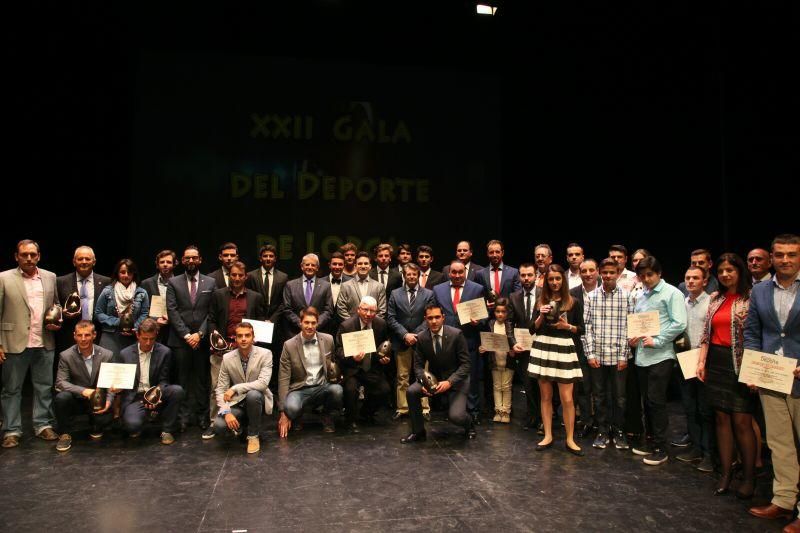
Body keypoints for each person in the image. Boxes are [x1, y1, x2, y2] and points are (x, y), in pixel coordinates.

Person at [744, 234, 800, 530]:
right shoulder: (761, 291)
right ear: (772, 256)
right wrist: (752, 367)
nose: (785, 260)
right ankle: (784, 500)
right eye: (780, 254)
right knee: (779, 444)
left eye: (791, 254)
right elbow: (753, 331)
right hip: (772, 376)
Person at [695, 253, 756, 498]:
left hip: (740, 363)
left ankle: (750, 477)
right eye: (721, 271)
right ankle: (726, 473)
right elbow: (705, 334)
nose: (725, 274)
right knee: (721, 419)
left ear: (740, 271)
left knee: (742, 422)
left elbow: (755, 335)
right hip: (716, 361)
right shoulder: (715, 298)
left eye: (730, 270)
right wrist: (701, 361)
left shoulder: (751, 297)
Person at [0, 239, 61, 447]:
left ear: (39, 256)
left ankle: (42, 425)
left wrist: (58, 320)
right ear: (16, 256)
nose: (29, 258)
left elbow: (56, 306)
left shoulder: (50, 277)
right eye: (24, 254)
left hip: (43, 341)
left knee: (44, 387)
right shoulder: (4, 278)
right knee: (11, 389)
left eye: (33, 254)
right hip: (13, 341)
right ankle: (11, 430)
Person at [629, 256, 687, 465]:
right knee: (647, 401)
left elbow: (679, 323)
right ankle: (651, 441)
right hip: (642, 356)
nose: (646, 279)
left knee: (657, 401)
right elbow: (638, 324)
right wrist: (634, 337)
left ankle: (661, 448)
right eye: (642, 275)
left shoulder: (672, 293)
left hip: (661, 355)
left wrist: (659, 339)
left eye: (650, 275)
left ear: (659, 273)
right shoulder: (641, 295)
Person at [528, 264, 585, 456]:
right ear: (546, 281)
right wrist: (541, 316)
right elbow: (532, 329)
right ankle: (548, 435)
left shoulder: (574, 302)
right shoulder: (540, 301)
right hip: (543, 347)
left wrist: (567, 326)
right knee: (545, 396)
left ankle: (570, 438)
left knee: (567, 398)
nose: (554, 282)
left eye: (558, 279)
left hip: (564, 348)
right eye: (551, 279)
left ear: (563, 280)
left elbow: (581, 329)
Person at [204, 261, 266, 439]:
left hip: (247, 348)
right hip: (223, 349)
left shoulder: (255, 297)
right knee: (217, 386)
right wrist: (216, 340)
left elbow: (260, 321)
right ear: (229, 276)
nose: (237, 278)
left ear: (245, 277)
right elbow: (212, 319)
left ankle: (246, 423)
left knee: (248, 388)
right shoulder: (218, 295)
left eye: (240, 275)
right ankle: (215, 421)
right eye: (234, 275)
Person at [401, 303, 474, 442]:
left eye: (437, 317)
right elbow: (418, 366)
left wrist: (450, 382)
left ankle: (469, 424)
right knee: (412, 391)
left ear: (443, 318)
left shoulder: (456, 334)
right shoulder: (422, 338)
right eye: (430, 318)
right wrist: (423, 383)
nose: (434, 321)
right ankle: (418, 432)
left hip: (457, 381)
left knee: (456, 417)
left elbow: (466, 365)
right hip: (434, 381)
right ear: (425, 319)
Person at [584, 258, 634, 450]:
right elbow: (587, 327)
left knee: (620, 397)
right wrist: (590, 354)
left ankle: (619, 430)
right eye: (604, 272)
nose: (608, 276)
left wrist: (624, 355)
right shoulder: (591, 296)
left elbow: (629, 326)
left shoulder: (627, 297)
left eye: (611, 273)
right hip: (598, 355)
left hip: (619, 356)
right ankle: (603, 430)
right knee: (599, 396)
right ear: (599, 273)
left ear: (617, 274)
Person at [166, 245, 217, 431]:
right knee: (182, 380)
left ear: (200, 260)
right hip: (181, 341)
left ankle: (203, 416)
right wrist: (187, 335)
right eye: (187, 258)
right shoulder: (173, 283)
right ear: (182, 260)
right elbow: (172, 310)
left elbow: (212, 312)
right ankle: (183, 417)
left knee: (203, 381)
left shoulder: (210, 283)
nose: (191, 261)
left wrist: (200, 334)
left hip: (202, 340)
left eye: (194, 258)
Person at [115, 319, 185, 445]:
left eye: (152, 339)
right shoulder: (125, 354)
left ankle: (167, 430)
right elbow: (122, 382)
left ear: (156, 336)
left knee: (177, 391)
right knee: (132, 426)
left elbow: (164, 380)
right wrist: (117, 388)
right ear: (137, 335)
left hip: (155, 391)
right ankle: (146, 417)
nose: (148, 343)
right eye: (144, 338)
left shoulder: (165, 352)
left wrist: (155, 394)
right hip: (135, 397)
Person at [432, 260, 486, 423]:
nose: (456, 275)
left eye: (460, 272)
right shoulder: (438, 289)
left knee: (472, 377)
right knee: (448, 375)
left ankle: (473, 410)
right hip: (446, 342)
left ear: (465, 272)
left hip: (468, 339)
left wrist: (479, 321)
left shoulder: (477, 289)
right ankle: (452, 409)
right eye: (453, 272)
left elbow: (484, 317)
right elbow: (434, 314)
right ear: (449, 273)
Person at [277, 307, 343, 437]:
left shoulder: (328, 340)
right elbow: (283, 378)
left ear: (317, 323)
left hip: (322, 386)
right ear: (300, 323)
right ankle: (298, 416)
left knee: (337, 390)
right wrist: (283, 413)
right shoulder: (289, 345)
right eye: (306, 322)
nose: (310, 326)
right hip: (299, 389)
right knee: (291, 409)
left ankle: (326, 414)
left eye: (313, 323)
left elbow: (334, 363)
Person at [674, 265, 715, 473]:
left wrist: (704, 361)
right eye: (688, 278)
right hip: (685, 359)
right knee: (690, 408)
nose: (691, 282)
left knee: (705, 410)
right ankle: (696, 448)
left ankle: (709, 453)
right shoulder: (682, 302)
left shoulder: (711, 303)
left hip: (704, 361)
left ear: (705, 281)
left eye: (695, 278)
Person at [213, 321, 273, 454]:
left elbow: (262, 383)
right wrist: (226, 412)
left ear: (253, 337)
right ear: (235, 338)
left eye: (247, 335)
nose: (244, 339)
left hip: (258, 400)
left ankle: (253, 436)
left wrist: (235, 388)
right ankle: (242, 428)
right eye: (240, 336)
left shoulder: (266, 354)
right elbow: (221, 388)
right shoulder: (227, 358)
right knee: (219, 426)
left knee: (253, 394)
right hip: (238, 402)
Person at [53, 320, 113, 452]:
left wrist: (109, 400)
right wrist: (83, 391)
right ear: (74, 336)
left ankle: (95, 424)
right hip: (77, 399)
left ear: (94, 335)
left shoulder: (107, 355)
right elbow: (60, 382)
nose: (83, 339)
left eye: (87, 335)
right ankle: (64, 434)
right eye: (79, 335)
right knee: (62, 398)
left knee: (104, 420)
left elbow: (110, 383)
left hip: (98, 401)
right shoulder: (66, 355)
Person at [386, 263, 435, 420]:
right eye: (409, 275)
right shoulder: (395, 294)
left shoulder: (428, 294)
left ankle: (425, 408)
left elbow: (429, 318)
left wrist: (416, 335)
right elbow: (391, 318)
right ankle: (403, 408)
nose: (412, 277)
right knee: (402, 377)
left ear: (418, 275)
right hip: (402, 342)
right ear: (404, 276)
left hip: (422, 342)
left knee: (424, 376)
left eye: (414, 274)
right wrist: (405, 335)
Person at [335, 296, 391, 432]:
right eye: (365, 310)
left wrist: (385, 358)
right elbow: (338, 350)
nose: (368, 314)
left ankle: (366, 413)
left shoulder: (381, 324)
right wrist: (352, 357)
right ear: (358, 309)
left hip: (371, 367)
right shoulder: (346, 326)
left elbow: (384, 345)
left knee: (384, 390)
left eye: (372, 311)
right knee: (350, 389)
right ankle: (351, 420)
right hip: (352, 368)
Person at [55, 246, 111, 356]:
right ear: (74, 262)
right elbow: (54, 307)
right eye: (80, 259)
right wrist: (63, 313)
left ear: (94, 262)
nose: (84, 262)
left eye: (87, 259)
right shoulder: (60, 282)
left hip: (98, 336)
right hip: (69, 337)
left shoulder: (106, 282)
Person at [94, 258, 150, 356]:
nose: (126, 275)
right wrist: (118, 322)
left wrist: (135, 327)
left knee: (131, 369)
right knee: (109, 368)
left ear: (134, 274)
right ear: (117, 274)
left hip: (133, 337)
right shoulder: (107, 291)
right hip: (110, 336)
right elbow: (98, 313)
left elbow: (144, 314)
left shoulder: (141, 293)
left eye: (129, 272)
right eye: (122, 272)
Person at [509, 263, 541, 430]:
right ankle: (533, 416)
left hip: (542, 347)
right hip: (523, 349)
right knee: (528, 385)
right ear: (519, 277)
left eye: (529, 275)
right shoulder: (514, 297)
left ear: (536, 275)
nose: (526, 278)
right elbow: (509, 323)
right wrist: (513, 344)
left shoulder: (545, 294)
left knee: (543, 385)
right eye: (523, 275)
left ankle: (545, 417)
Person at [570, 258, 599, 438]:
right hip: (579, 348)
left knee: (601, 389)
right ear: (579, 273)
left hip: (602, 347)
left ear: (597, 271)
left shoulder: (607, 291)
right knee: (583, 388)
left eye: (591, 270)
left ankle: (602, 423)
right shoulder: (572, 294)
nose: (588, 274)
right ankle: (587, 421)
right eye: (584, 271)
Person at [479, 298, 516, 423]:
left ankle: (506, 412)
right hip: (494, 360)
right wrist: (483, 347)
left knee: (506, 386)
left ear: (507, 313)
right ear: (494, 312)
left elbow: (514, 341)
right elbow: (487, 340)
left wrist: (513, 350)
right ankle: (498, 411)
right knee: (496, 386)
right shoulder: (490, 324)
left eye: (503, 311)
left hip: (507, 361)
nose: (500, 314)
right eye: (497, 311)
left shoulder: (510, 325)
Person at [281, 253, 334, 339]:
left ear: (317, 268)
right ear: (302, 266)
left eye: (313, 265)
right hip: (295, 333)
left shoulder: (326, 286)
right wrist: (302, 324)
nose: (310, 267)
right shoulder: (290, 285)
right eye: (307, 264)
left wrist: (314, 324)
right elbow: (287, 309)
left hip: (319, 333)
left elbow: (328, 310)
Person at [140, 250, 177, 345]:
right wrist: (155, 320)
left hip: (175, 331)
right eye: (162, 262)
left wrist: (171, 318)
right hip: (154, 332)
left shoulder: (181, 283)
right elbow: (143, 308)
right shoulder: (146, 283)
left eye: (168, 262)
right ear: (157, 265)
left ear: (174, 264)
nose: (165, 264)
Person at [336, 252, 387, 319]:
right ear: (355, 266)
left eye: (366, 263)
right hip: (352, 328)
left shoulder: (379, 287)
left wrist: (370, 323)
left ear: (370, 266)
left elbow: (382, 310)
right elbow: (341, 309)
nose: (363, 266)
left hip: (372, 327)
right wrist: (353, 324)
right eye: (360, 264)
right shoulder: (345, 286)